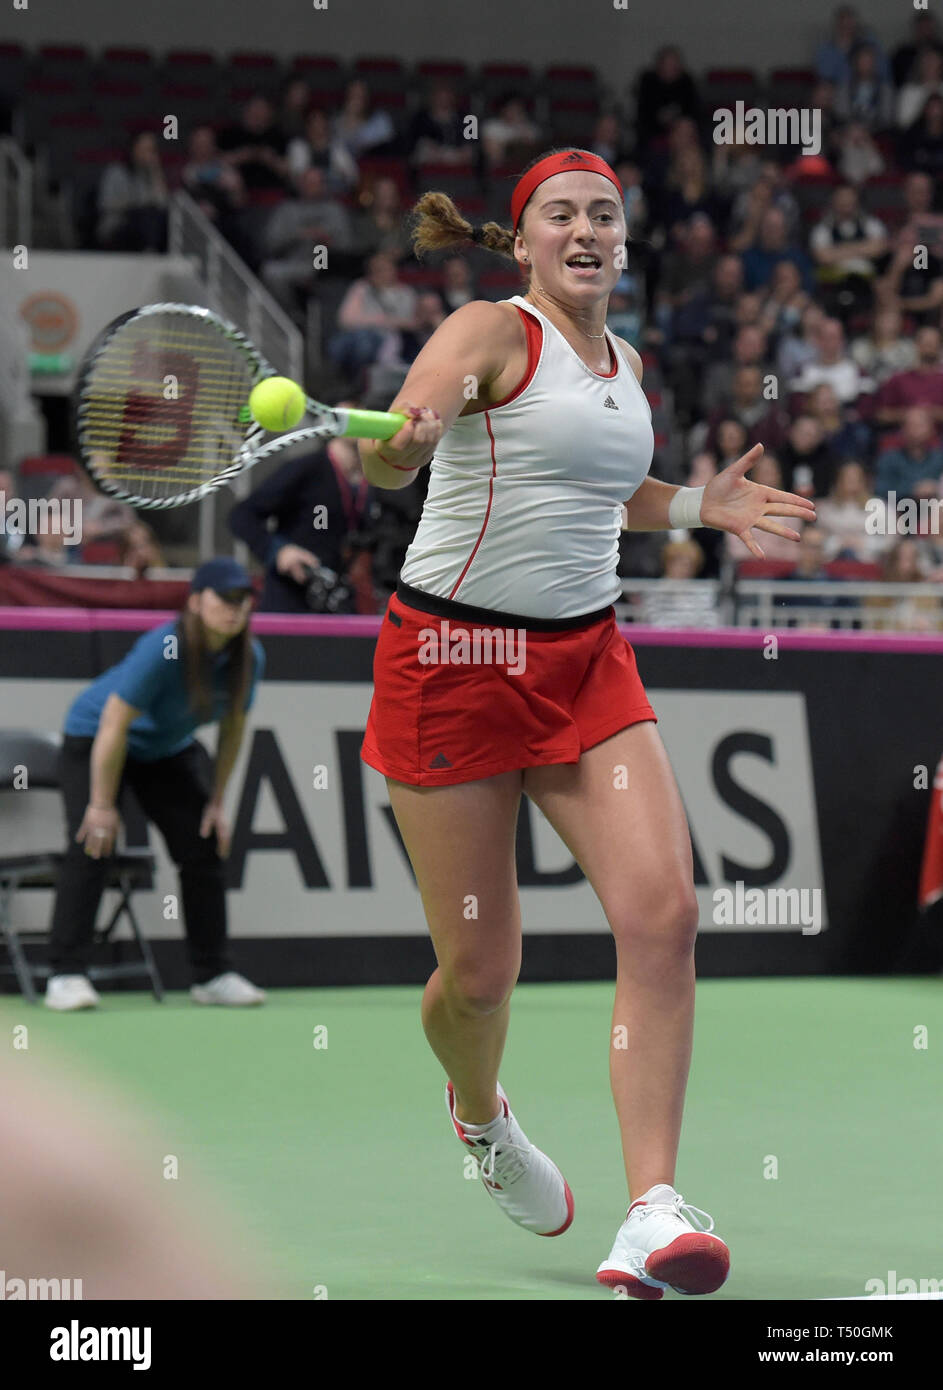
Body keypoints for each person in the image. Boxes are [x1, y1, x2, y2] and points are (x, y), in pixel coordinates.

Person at [354, 146, 814, 1298]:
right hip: (453, 660)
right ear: (522, 243)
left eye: (604, 213)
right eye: (560, 214)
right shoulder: (486, 332)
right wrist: (396, 441)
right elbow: (395, 443)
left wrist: (698, 504)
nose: (586, 229)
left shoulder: (627, 362)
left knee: (661, 914)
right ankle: (478, 1115)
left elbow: (607, 486)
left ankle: (650, 1213)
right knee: (480, 976)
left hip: (584, 660)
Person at [44, 558, 267, 1012]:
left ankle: (212, 974)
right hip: (98, 737)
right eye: (224, 598)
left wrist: (217, 802)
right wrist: (103, 805)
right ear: (195, 601)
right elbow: (113, 722)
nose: (235, 609)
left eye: (242, 600)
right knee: (93, 842)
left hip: (164, 749)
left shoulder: (249, 657)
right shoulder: (164, 647)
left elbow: (233, 730)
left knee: (203, 845)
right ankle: (66, 975)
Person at [228, 402, 378, 613]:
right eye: (350, 413)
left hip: (339, 601)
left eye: (364, 413)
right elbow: (242, 515)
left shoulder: (374, 479)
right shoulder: (307, 469)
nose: (358, 418)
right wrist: (278, 551)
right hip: (291, 601)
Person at [95, 131, 169, 252]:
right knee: (145, 215)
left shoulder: (151, 175)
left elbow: (163, 204)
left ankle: (150, 251)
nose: (148, 154)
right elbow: (106, 203)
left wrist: (156, 171)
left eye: (151, 150)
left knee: (154, 217)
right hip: (117, 226)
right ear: (133, 149)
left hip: (145, 227)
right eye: (144, 149)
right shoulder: (115, 172)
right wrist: (138, 205)